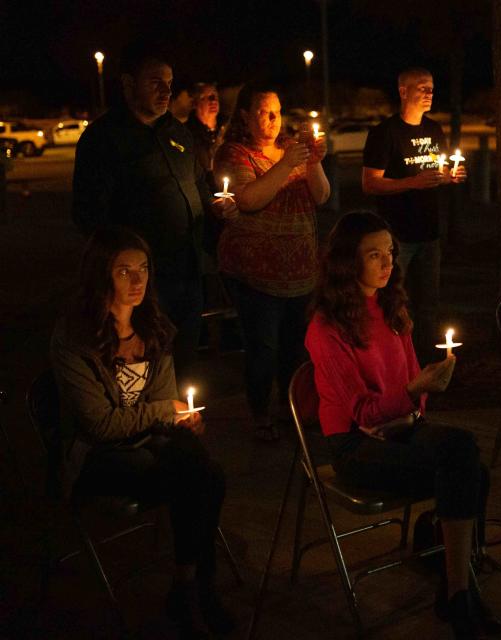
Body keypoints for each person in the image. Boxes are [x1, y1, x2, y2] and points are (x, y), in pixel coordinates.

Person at [305, 211, 501, 639]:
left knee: (467, 463)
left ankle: (457, 585)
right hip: (354, 446)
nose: (387, 263)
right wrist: (414, 392)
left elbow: (413, 382)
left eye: (390, 252)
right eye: (373, 255)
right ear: (347, 262)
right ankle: (458, 592)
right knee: (465, 464)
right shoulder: (326, 328)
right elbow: (361, 411)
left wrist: (426, 388)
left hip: (402, 426)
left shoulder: (391, 308)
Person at [50, 226, 233, 637]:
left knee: (204, 474)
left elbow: (165, 402)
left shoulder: (153, 327)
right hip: (98, 457)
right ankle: (197, 590)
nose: (137, 281)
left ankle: (190, 585)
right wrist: (162, 413)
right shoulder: (75, 338)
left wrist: (179, 417)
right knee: (200, 479)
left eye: (144, 269)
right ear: (100, 275)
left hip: (149, 445)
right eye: (123, 271)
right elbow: (98, 424)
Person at [72, 44, 237, 385]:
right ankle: (144, 430)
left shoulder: (178, 133)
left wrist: (217, 208)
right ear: (129, 84)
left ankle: (180, 426)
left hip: (188, 271)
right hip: (143, 281)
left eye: (169, 82)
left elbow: (198, 186)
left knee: (186, 357)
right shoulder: (103, 139)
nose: (166, 91)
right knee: (144, 363)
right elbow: (88, 215)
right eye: (155, 82)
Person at [213, 83, 330, 441]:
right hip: (257, 275)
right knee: (264, 349)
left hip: (299, 272)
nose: (272, 119)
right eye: (264, 112)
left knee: (295, 347)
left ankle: (290, 409)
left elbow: (322, 195)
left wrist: (313, 163)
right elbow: (248, 199)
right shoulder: (235, 154)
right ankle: (260, 414)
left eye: (277, 112)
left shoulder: (290, 151)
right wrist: (288, 164)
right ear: (245, 116)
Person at [362, 67, 466, 353]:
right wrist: (412, 182)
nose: (429, 93)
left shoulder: (433, 129)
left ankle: (427, 362)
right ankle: (392, 359)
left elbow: (436, 169)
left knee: (429, 304)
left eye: (431, 88)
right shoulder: (385, 133)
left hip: (430, 232)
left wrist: (449, 176)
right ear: (403, 91)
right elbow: (370, 183)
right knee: (393, 301)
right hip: (396, 237)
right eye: (422, 87)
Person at [185, 82, 223, 192]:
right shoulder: (186, 133)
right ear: (195, 103)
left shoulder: (228, 128)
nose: (213, 100)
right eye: (204, 97)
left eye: (214, 95)